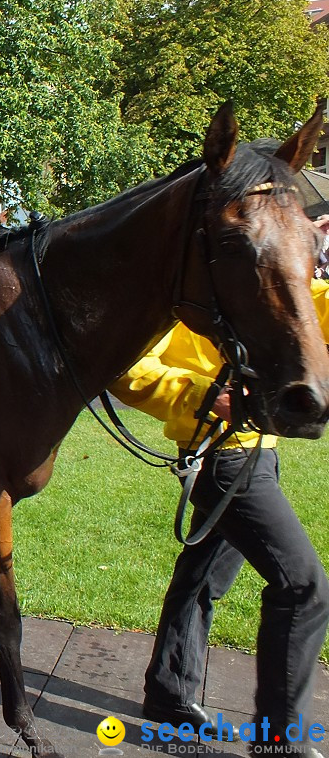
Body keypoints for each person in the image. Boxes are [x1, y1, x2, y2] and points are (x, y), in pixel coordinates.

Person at [110, 280, 329, 756]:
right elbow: (124, 366)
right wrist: (203, 397)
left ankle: (170, 695)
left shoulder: (275, 278)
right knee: (303, 587)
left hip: (254, 455)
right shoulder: (186, 294)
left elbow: (318, 307)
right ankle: (281, 741)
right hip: (224, 459)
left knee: (201, 579)